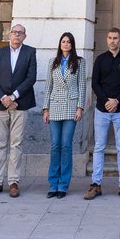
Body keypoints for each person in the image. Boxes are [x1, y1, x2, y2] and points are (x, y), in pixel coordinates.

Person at [85, 26, 120, 200]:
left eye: (115, 38)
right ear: (107, 40)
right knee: (99, 147)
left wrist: (117, 101)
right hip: (102, 110)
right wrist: (106, 101)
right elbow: (95, 83)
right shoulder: (100, 60)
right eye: (110, 38)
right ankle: (96, 184)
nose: (112, 41)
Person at [0, 21, 37, 198]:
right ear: (9, 34)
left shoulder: (30, 52)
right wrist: (4, 98)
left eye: (20, 33)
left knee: (16, 144)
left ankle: (13, 181)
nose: (16, 35)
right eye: (14, 32)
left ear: (24, 36)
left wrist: (13, 97)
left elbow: (31, 78)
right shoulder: (0, 52)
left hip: (20, 104)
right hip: (0, 104)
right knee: (0, 143)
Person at [43, 31, 88, 198]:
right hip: (54, 105)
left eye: (68, 41)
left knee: (66, 145)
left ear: (72, 44)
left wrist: (80, 107)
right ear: (60, 44)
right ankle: (53, 183)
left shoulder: (79, 62)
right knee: (55, 145)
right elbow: (48, 86)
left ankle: (63, 184)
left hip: (71, 105)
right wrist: (45, 109)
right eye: (63, 41)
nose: (66, 44)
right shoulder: (52, 62)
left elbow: (82, 86)